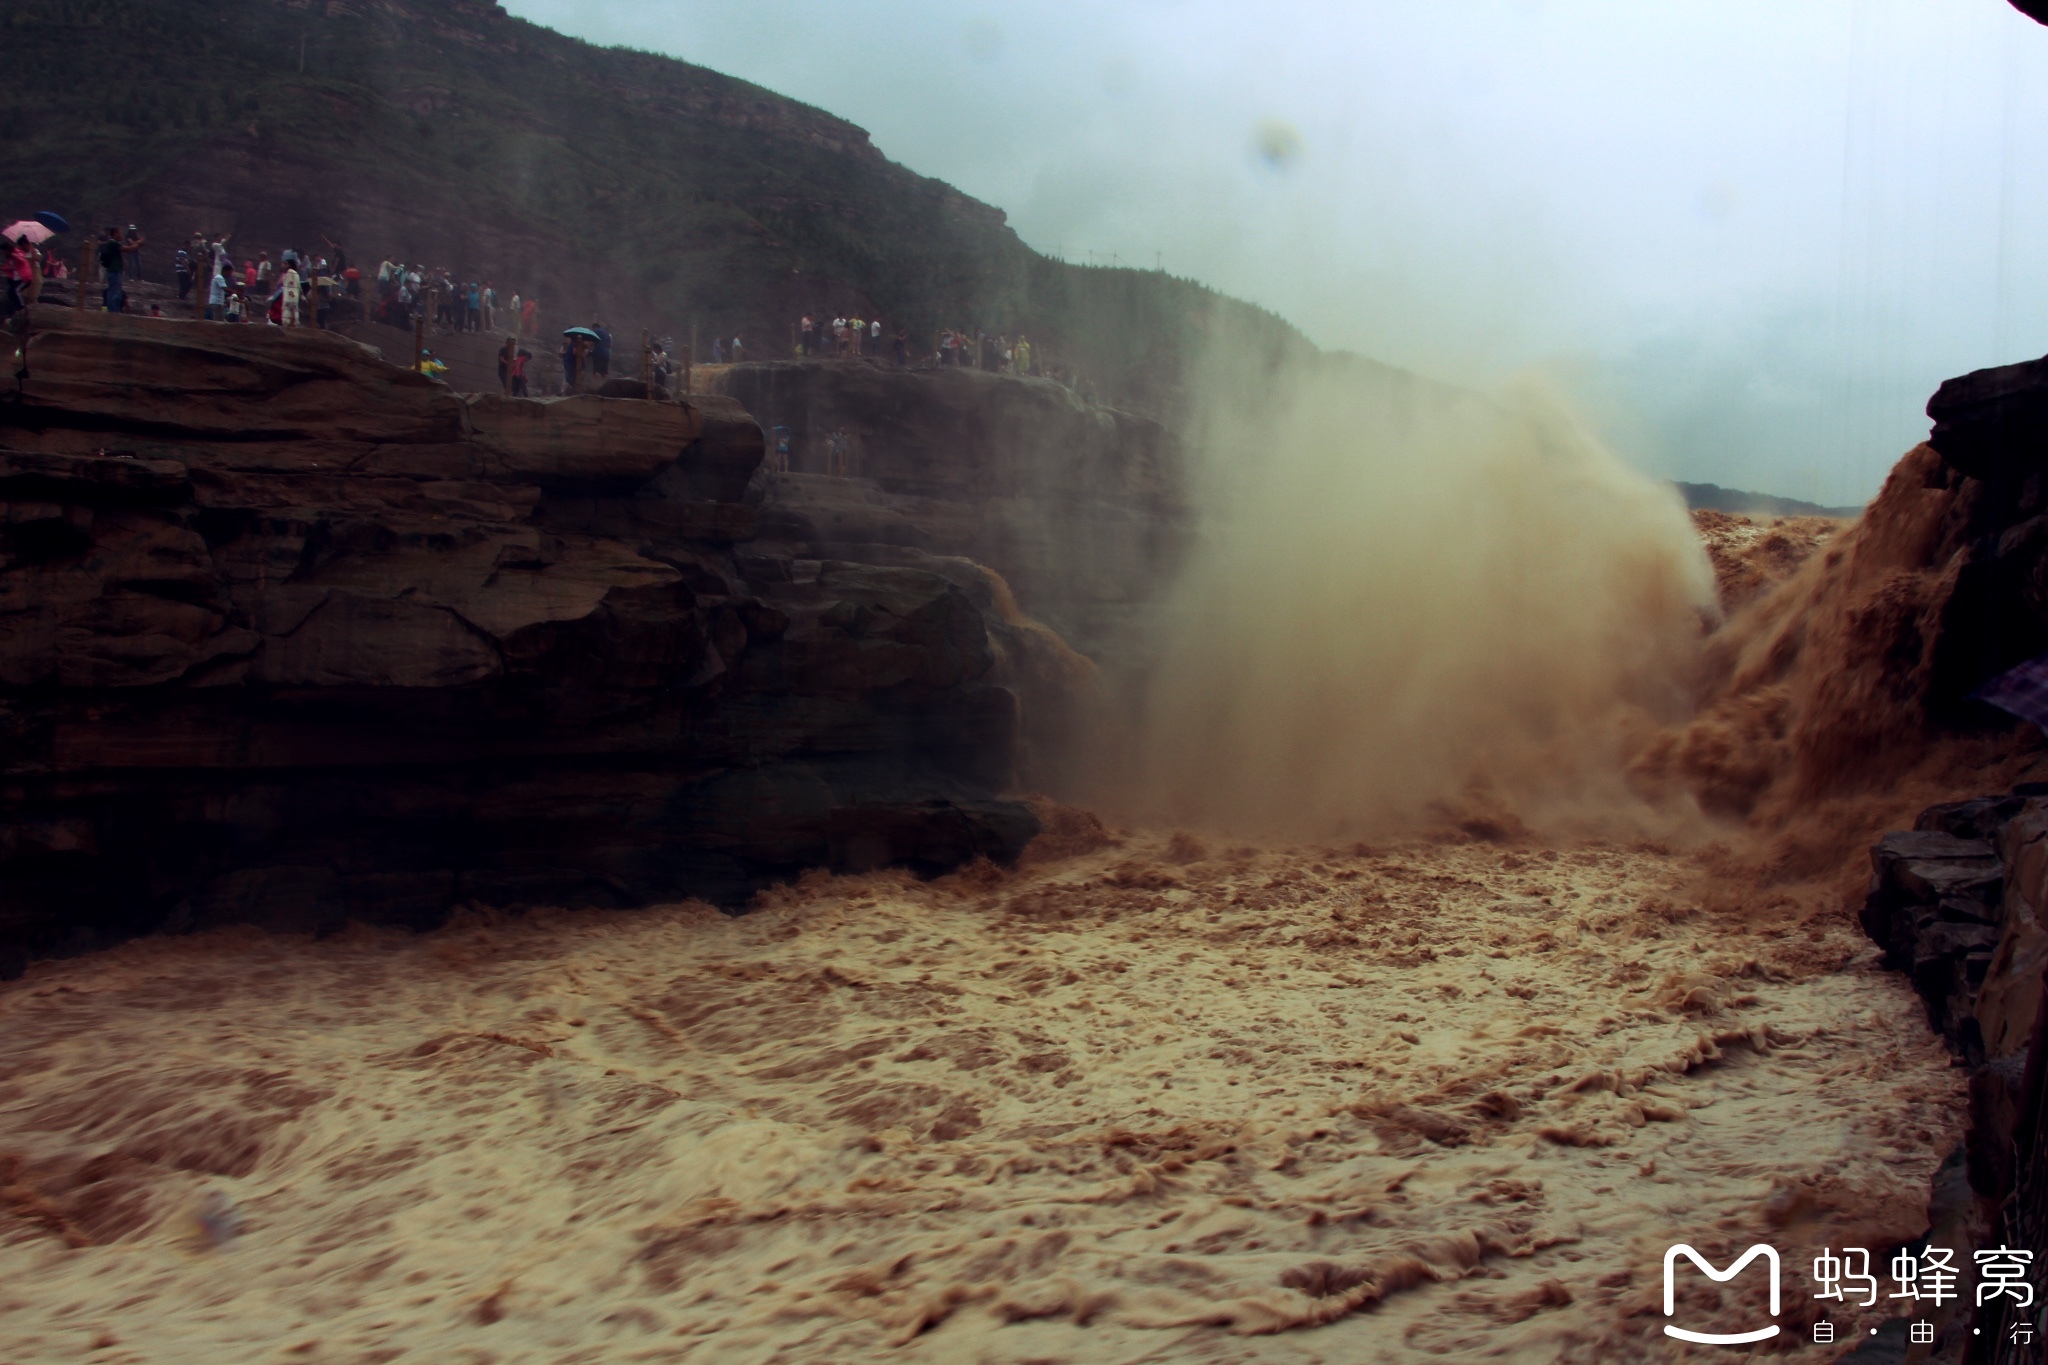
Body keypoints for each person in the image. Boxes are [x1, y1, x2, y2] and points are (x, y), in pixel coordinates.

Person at [277, 257, 302, 326]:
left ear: (288, 265)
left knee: (287, 312)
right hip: (295, 296)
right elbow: (299, 286)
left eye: (285, 264)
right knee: (295, 311)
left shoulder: (289, 272)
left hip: (289, 295)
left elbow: (289, 283)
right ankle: (295, 324)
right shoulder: (296, 274)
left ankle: (287, 325)